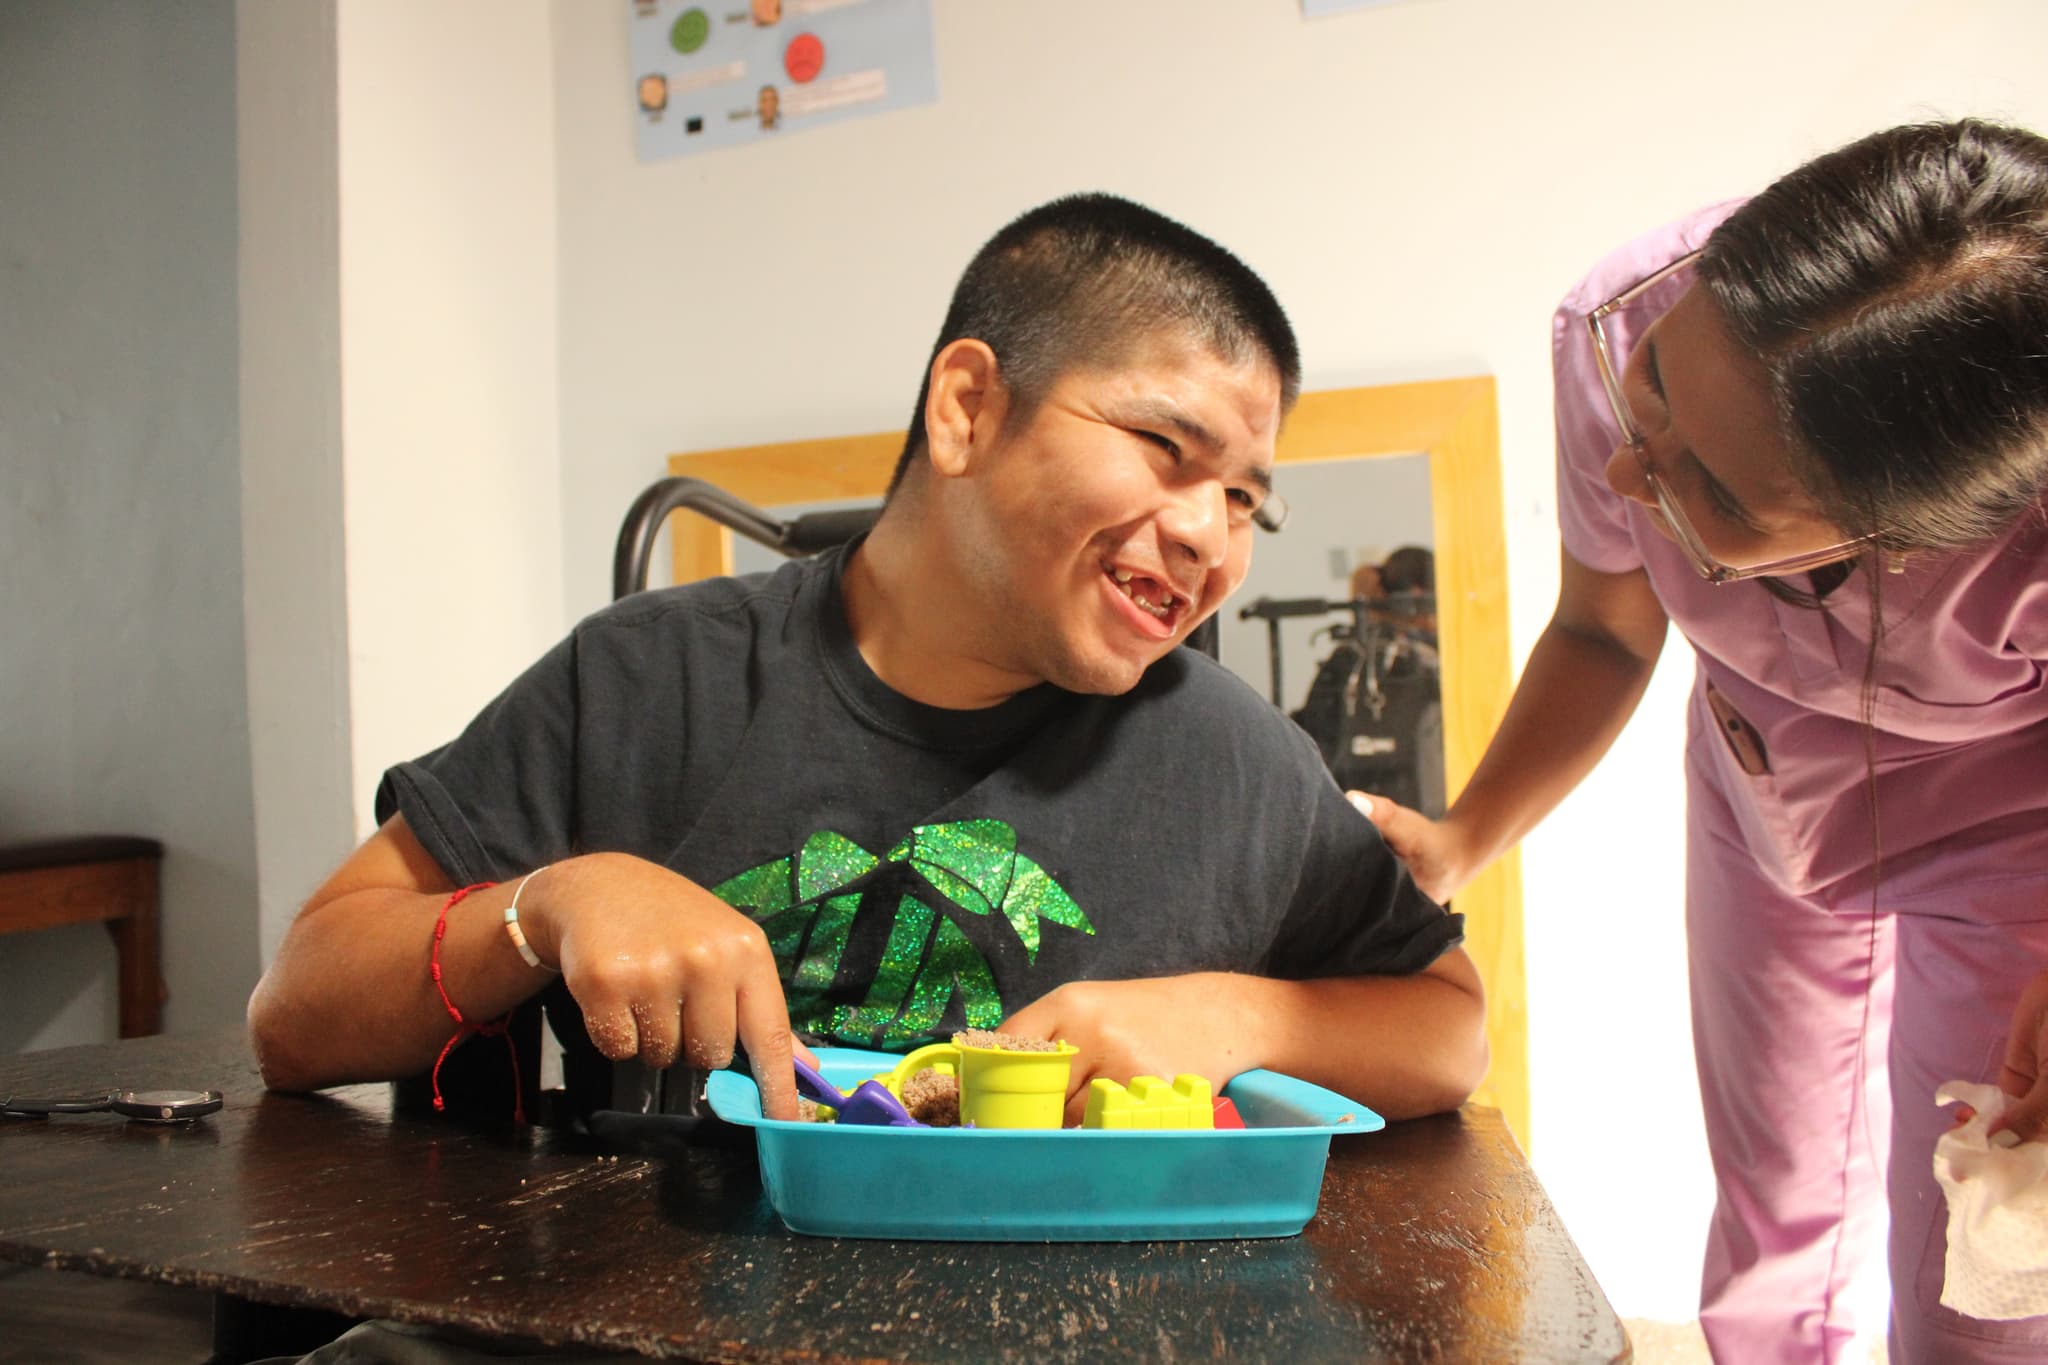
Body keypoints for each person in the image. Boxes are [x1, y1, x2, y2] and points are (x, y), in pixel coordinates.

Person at [247, 193, 1484, 1144]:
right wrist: (548, 906)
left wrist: (1231, 1014)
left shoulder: (1229, 757)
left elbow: (1447, 1025)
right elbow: (295, 1012)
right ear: (964, 407)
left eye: (1243, 502)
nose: (1211, 537)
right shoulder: (646, 682)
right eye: (1166, 447)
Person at [1354, 120, 2048, 1362]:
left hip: (2016, 834)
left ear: (1898, 538)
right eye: (1657, 396)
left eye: (1714, 497)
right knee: (1775, 1212)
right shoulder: (1622, 323)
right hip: (1759, 778)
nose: (1629, 470)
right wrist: (1461, 840)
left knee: (1987, 1249)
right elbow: (1604, 632)